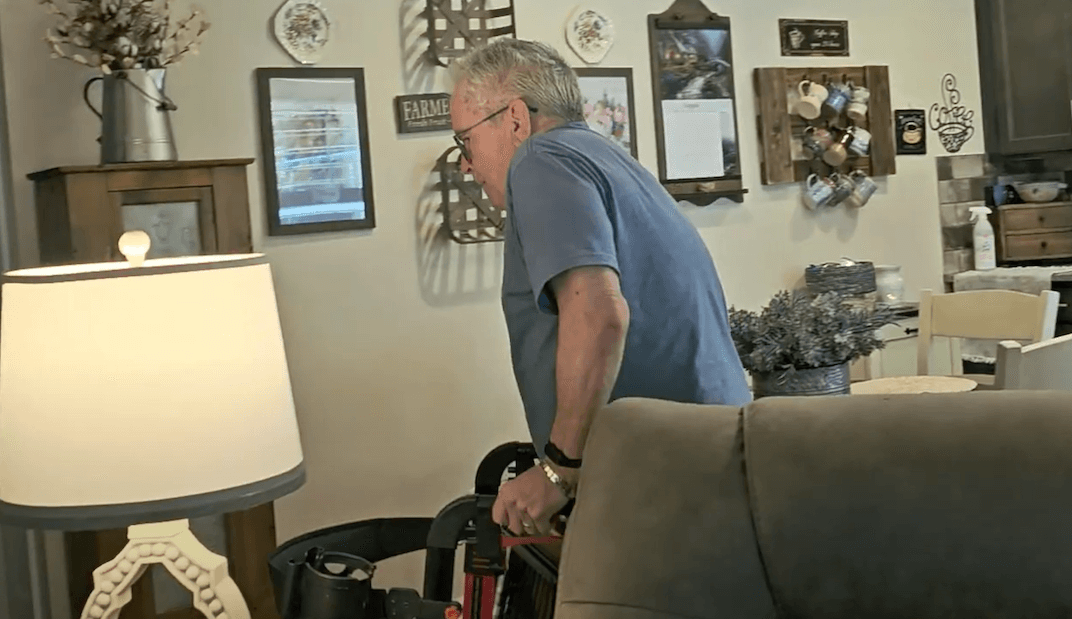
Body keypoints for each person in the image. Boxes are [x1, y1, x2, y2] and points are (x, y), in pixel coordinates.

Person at [448, 38, 752, 537]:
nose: (465, 163)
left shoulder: (539, 159)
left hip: (668, 478)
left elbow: (599, 315)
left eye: (466, 140)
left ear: (516, 120)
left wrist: (558, 469)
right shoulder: (604, 156)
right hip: (706, 457)